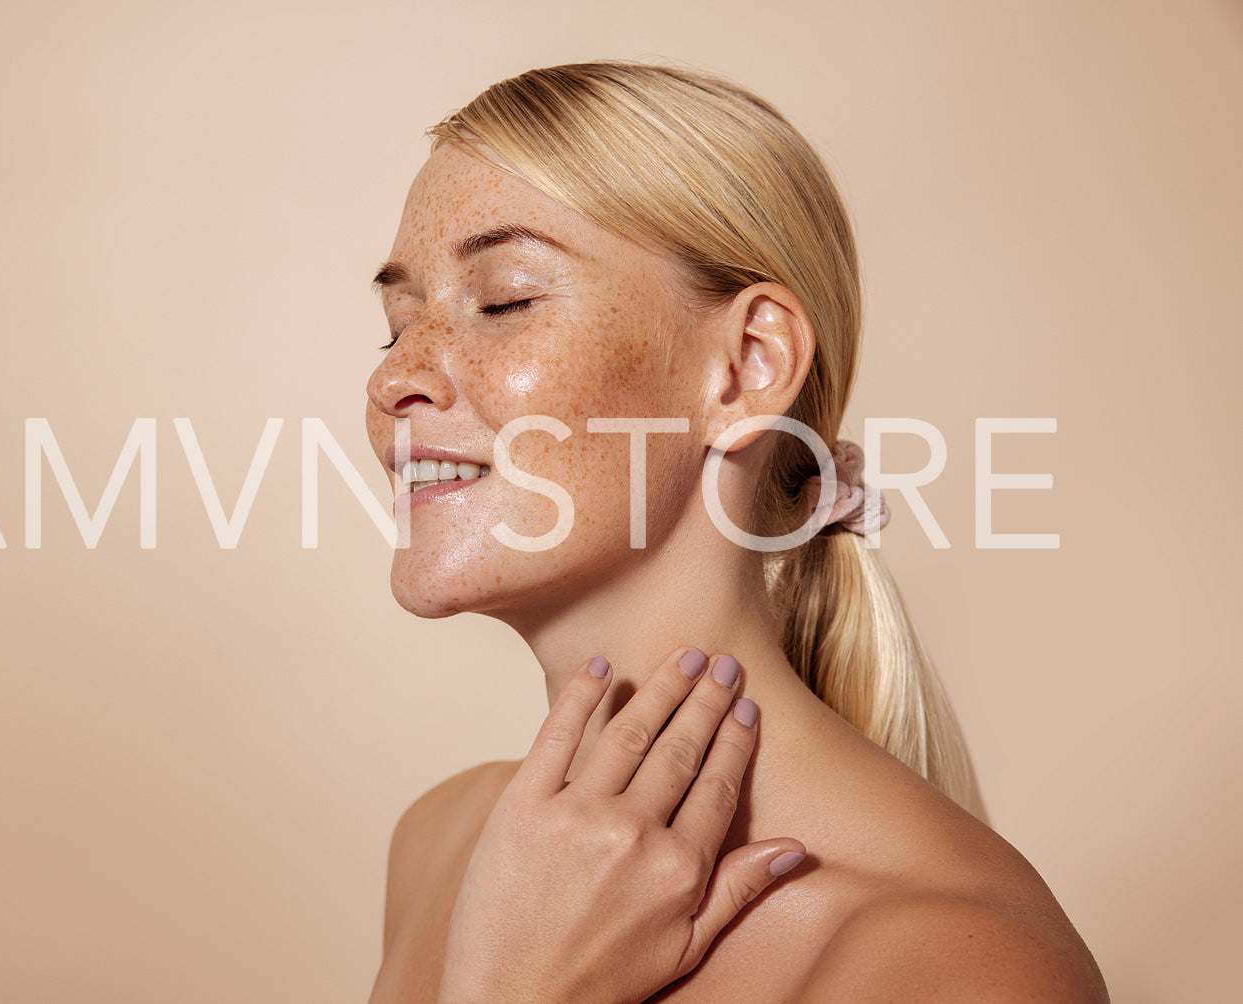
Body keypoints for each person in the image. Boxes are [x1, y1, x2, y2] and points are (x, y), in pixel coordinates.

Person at [363, 61, 1106, 1003]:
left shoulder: (952, 963)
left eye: (503, 299)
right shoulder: (440, 846)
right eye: (393, 326)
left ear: (749, 365)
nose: (395, 381)